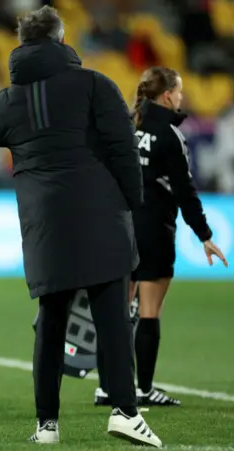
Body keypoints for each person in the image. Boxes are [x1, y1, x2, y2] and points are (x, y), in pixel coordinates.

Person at [0, 6, 162, 448]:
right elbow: (123, 152)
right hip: (100, 215)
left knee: (51, 321)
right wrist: (133, 207)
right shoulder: (95, 85)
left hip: (44, 225)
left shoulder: (5, 101)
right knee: (111, 319)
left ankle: (47, 425)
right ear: (60, 39)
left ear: (20, 46)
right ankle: (125, 412)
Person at [94, 67, 228, 408]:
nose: (182, 97)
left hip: (115, 227)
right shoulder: (170, 135)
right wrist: (205, 235)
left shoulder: (123, 125)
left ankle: (108, 386)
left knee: (117, 312)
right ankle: (143, 389)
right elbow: (185, 192)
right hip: (153, 230)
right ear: (167, 94)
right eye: (179, 91)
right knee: (149, 311)